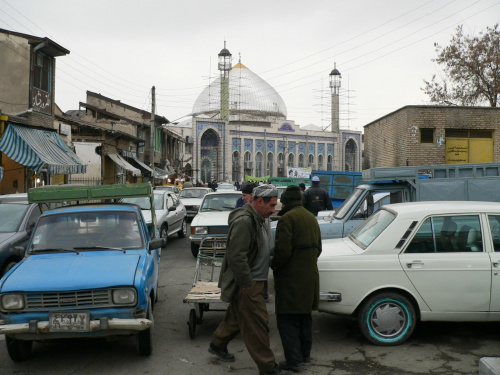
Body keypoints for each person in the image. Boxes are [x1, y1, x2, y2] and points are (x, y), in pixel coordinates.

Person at [209, 185, 290, 375]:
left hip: (254, 281)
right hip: (249, 282)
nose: (273, 210)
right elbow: (237, 257)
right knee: (258, 325)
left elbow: (263, 249)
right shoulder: (246, 221)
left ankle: (217, 344)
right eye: (271, 205)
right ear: (259, 202)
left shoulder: (260, 218)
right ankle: (268, 367)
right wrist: (246, 285)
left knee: (237, 317)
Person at [272, 185, 322, 371]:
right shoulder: (311, 218)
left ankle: (294, 361)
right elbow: (319, 248)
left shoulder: (287, 219)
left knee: (287, 320)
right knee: (304, 318)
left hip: (291, 279)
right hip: (310, 277)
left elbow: (282, 252)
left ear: (285, 202)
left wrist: (273, 263)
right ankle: (305, 355)